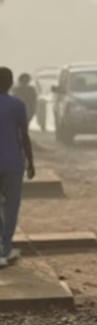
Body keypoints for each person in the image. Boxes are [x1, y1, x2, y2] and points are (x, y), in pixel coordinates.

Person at [0, 67, 36, 268]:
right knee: (11, 206)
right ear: (11, 83)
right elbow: (24, 136)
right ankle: (6, 247)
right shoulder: (17, 105)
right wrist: (31, 162)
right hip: (13, 163)